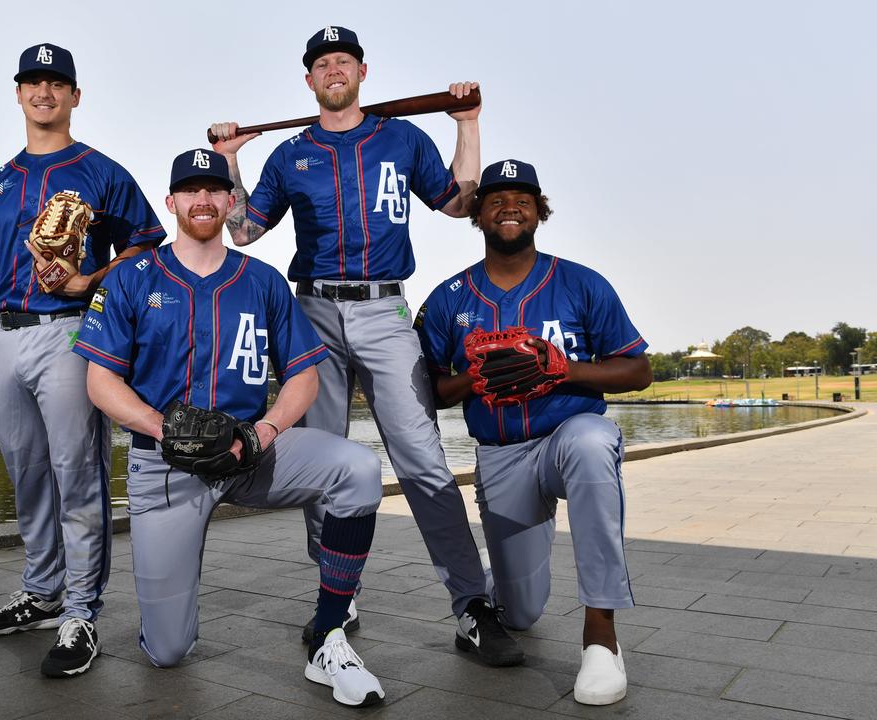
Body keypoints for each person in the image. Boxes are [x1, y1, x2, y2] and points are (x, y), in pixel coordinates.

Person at [208, 25, 521, 665]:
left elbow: (459, 204)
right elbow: (241, 232)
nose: (333, 70)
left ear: (362, 71)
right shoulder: (290, 154)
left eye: (342, 60)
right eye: (322, 64)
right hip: (312, 311)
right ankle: (336, 597)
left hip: (384, 308)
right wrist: (231, 160)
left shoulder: (402, 137)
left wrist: (467, 123)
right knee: (322, 463)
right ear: (309, 80)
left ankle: (471, 605)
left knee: (423, 461)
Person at [76, 148, 386, 707]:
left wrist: (261, 433)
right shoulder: (130, 278)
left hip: (250, 453)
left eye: (213, 189)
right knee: (168, 651)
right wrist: (164, 425)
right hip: (164, 462)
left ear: (229, 200)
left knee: (358, 467)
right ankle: (166, 615)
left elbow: (303, 380)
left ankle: (329, 630)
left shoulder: (263, 280)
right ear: (171, 202)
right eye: (190, 190)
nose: (202, 199)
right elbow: (101, 384)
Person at [0, 43, 165, 679]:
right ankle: (41, 594)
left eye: (56, 83)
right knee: (26, 474)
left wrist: (90, 278)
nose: (44, 92)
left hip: (73, 332)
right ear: (17, 94)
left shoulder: (102, 171)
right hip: (7, 335)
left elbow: (149, 248)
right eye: (33, 82)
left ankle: (80, 613)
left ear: (75, 95)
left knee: (78, 473)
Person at [415, 158, 652, 705]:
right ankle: (496, 597)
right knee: (520, 613)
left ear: (539, 211)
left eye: (522, 197)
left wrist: (562, 369)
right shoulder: (449, 298)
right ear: (477, 213)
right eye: (496, 198)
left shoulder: (580, 281)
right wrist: (471, 380)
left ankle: (602, 637)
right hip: (502, 455)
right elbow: (428, 388)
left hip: (567, 435)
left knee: (593, 444)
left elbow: (638, 370)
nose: (510, 206)